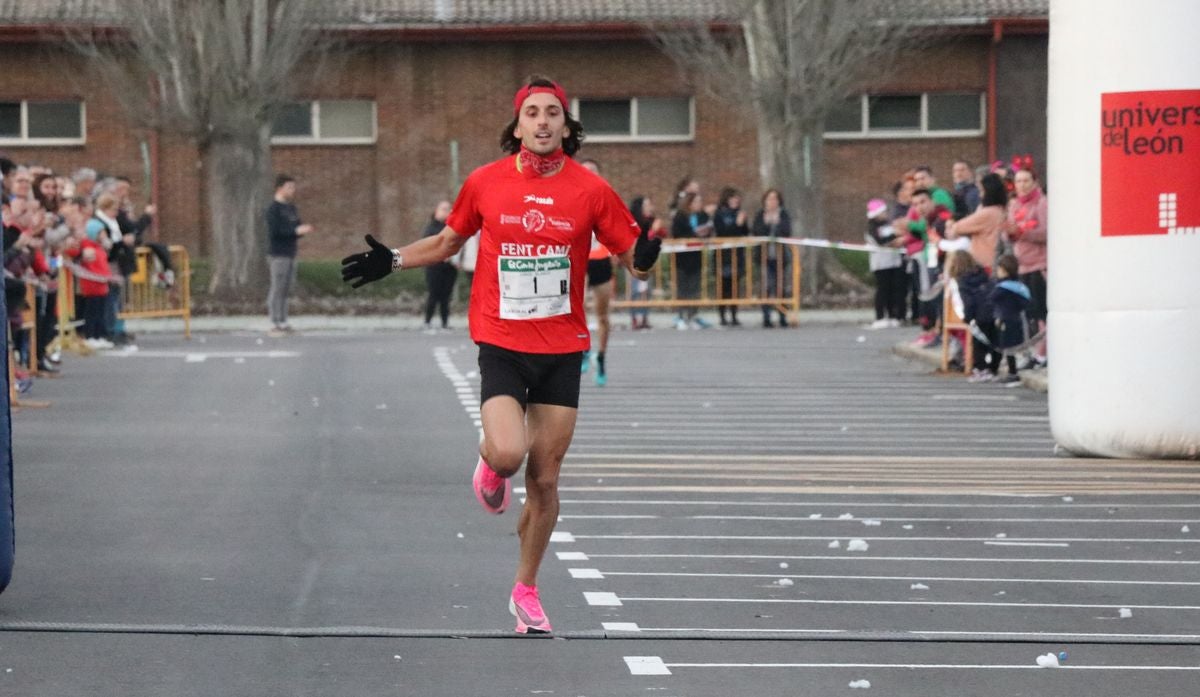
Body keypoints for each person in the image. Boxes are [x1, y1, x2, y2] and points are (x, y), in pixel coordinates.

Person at [339, 77, 661, 635]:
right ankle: (489, 461)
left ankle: (526, 589)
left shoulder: (590, 189)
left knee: (545, 480)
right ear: (517, 126)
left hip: (563, 346)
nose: (542, 122)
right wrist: (391, 259)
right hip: (504, 342)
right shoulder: (485, 182)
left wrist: (649, 256)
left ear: (566, 125)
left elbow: (634, 260)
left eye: (552, 113)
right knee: (511, 456)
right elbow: (446, 243)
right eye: (532, 113)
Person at [1006, 166, 1048, 367]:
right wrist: (1010, 232)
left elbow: (1047, 232)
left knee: (1041, 312)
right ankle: (1034, 350)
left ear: (1035, 182)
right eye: (1018, 181)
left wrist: (1023, 233)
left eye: (1026, 181)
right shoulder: (1014, 204)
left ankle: (1042, 353)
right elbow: (1008, 232)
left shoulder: (1041, 203)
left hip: (1039, 264)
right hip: (1021, 264)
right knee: (1030, 314)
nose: (1022, 185)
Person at [578, 158, 615, 385]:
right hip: (579, 260)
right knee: (578, 307)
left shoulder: (606, 200)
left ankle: (601, 357)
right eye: (584, 171)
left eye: (593, 170)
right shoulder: (571, 198)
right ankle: (583, 349)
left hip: (601, 261)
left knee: (602, 315)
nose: (588, 174)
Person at [265, 174, 312, 336]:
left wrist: (301, 231)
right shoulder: (273, 209)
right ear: (279, 188)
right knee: (277, 288)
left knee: (286, 288)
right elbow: (275, 232)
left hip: (291, 252)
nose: (293, 190)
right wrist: (294, 231)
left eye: (293, 187)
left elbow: (296, 227)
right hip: (278, 254)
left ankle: (284, 322)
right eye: (289, 187)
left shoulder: (291, 208)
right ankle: (274, 322)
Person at [945, 250, 998, 382]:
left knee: (978, 344)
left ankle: (981, 369)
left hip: (977, 315)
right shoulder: (983, 275)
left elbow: (967, 302)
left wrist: (967, 317)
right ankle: (993, 368)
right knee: (993, 341)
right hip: (991, 311)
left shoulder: (961, 281)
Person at [945, 173, 1008, 274]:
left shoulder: (988, 212)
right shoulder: (1001, 209)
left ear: (990, 192)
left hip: (985, 262)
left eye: (982, 191)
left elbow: (958, 227)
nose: (980, 195)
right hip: (992, 259)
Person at [669, 191, 712, 330]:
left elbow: (710, 230)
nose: (699, 204)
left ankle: (693, 315)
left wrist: (705, 233)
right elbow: (677, 234)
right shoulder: (680, 217)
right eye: (696, 202)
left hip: (696, 257)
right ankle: (681, 315)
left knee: (695, 288)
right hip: (682, 258)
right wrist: (694, 234)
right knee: (682, 288)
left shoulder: (702, 216)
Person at [751, 188, 792, 328]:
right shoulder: (760, 215)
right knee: (766, 286)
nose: (772, 202)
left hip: (780, 257)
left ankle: (782, 316)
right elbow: (757, 232)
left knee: (781, 287)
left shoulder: (783, 214)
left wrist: (778, 223)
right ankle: (766, 317)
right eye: (769, 199)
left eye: (775, 199)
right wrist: (767, 223)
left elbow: (787, 231)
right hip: (764, 257)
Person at [990, 254, 1031, 384]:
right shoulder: (1020, 286)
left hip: (1005, 319)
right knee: (1011, 347)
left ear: (1004, 270)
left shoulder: (1003, 288)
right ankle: (1011, 370)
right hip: (1017, 318)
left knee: (1006, 347)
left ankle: (1010, 371)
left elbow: (992, 298)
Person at [865, 198, 905, 328]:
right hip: (880, 263)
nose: (885, 214)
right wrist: (895, 240)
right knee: (883, 289)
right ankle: (880, 316)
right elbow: (880, 241)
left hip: (893, 261)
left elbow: (896, 234)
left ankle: (893, 315)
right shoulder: (872, 227)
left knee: (893, 290)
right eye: (883, 212)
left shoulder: (888, 225)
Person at [712, 186, 749, 327]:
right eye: (733, 198)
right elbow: (722, 231)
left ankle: (734, 315)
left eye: (737, 198)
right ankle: (722, 315)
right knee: (723, 287)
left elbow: (745, 232)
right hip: (723, 255)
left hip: (737, 254)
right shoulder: (720, 214)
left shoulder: (739, 213)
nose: (736, 200)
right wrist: (736, 224)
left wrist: (742, 223)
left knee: (734, 287)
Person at [627, 196, 662, 330]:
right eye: (646, 205)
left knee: (646, 289)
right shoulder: (634, 222)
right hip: (634, 258)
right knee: (635, 290)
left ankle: (644, 317)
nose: (650, 208)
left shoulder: (651, 220)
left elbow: (661, 235)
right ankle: (635, 317)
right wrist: (653, 230)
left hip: (647, 259)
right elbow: (642, 237)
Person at [421, 200, 457, 331]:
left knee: (446, 296)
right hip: (434, 267)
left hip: (449, 267)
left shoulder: (452, 227)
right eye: (444, 209)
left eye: (449, 209)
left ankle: (445, 322)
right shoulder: (431, 228)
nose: (447, 211)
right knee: (434, 294)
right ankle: (427, 321)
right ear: (436, 211)